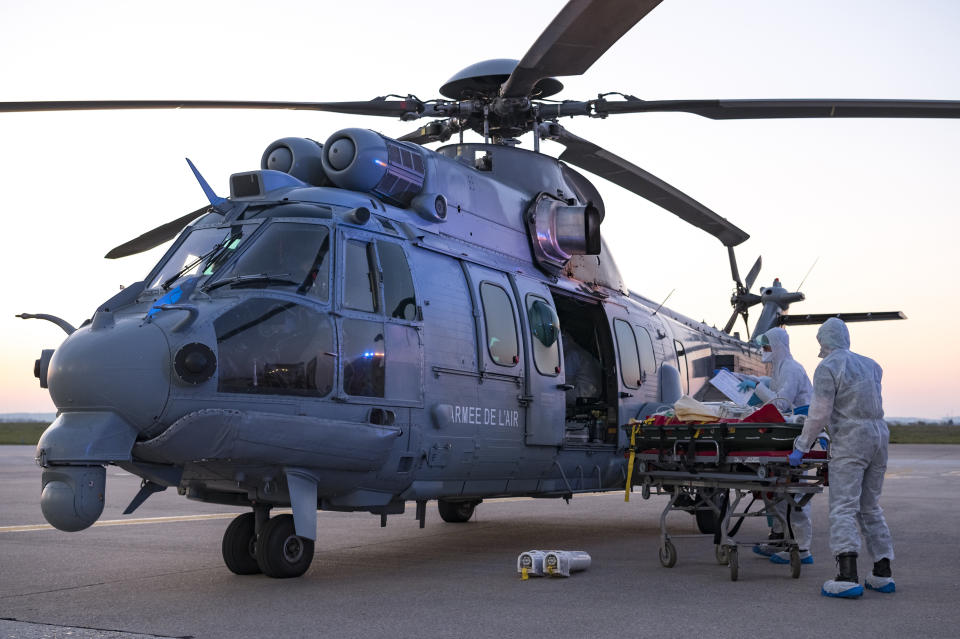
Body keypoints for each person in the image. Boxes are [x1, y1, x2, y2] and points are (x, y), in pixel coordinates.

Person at [788, 318, 895, 598]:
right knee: (870, 506)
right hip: (879, 437)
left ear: (824, 340)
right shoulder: (871, 364)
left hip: (851, 440)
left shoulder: (828, 366)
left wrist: (802, 445)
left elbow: (820, 412)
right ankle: (882, 572)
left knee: (843, 506)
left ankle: (846, 575)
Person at [739, 327, 815, 565]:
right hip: (787, 433)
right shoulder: (780, 368)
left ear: (779, 346)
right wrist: (758, 381)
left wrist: (758, 388)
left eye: (767, 346)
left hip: (797, 433)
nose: (764, 350)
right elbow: (776, 389)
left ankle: (802, 549)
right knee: (777, 491)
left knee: (795, 494)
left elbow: (782, 403)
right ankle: (781, 540)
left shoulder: (792, 368)